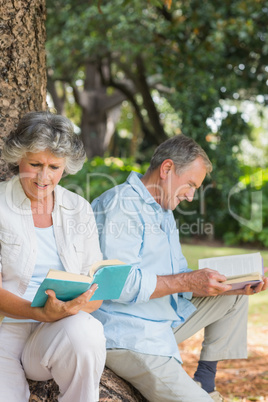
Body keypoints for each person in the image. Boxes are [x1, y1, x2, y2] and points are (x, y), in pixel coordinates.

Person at [91, 134, 268, 402]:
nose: (190, 196)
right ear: (167, 169)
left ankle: (206, 383)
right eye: (190, 185)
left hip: (160, 321)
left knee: (234, 297)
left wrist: (228, 285)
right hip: (129, 335)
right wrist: (188, 282)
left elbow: (177, 280)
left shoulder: (162, 211)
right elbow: (120, 283)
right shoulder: (122, 206)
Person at [0, 111, 106, 402]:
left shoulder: (79, 209)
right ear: (19, 157)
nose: (43, 177)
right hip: (5, 330)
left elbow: (94, 284)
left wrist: (75, 306)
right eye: (34, 164)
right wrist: (37, 312)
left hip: (56, 330)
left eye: (54, 167)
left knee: (86, 331)